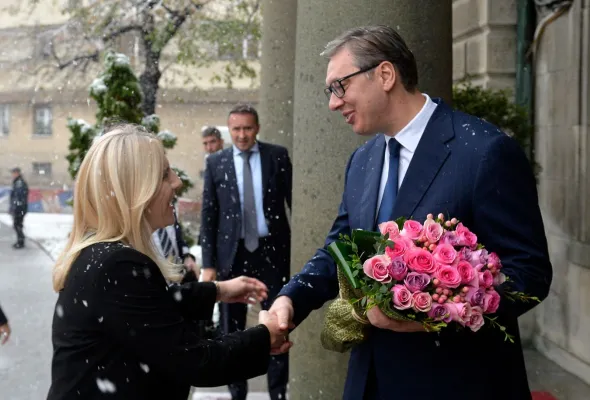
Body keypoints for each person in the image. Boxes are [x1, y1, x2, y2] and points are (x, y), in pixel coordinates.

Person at [268, 25, 553, 400]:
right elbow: (341, 249)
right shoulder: (363, 160)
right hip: (370, 381)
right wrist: (290, 299)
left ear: (385, 75)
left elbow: (528, 274)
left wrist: (436, 313)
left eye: (340, 86)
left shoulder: (485, 152)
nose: (333, 103)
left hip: (458, 383)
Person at [47, 124, 291, 400]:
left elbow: (150, 308)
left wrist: (217, 290)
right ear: (135, 189)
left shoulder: (102, 257)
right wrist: (263, 336)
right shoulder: (117, 265)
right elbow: (193, 360)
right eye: (164, 174)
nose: (176, 182)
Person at [200, 104, 292, 400]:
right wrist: (209, 263)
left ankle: (277, 393)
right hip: (233, 255)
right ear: (230, 130)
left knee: (278, 323)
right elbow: (209, 216)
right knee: (232, 330)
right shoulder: (217, 163)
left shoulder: (276, 156)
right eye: (236, 129)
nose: (242, 135)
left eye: (247, 128)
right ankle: (237, 393)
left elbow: (294, 204)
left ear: (257, 128)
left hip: (271, 252)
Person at [9, 167, 28, 249]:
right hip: (19, 208)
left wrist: (16, 207)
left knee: (17, 224)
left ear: (17, 173)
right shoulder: (18, 182)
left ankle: (21, 241)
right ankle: (20, 240)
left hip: (19, 208)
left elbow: (19, 197)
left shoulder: (19, 183)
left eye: (14, 173)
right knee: (17, 224)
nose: (12, 175)